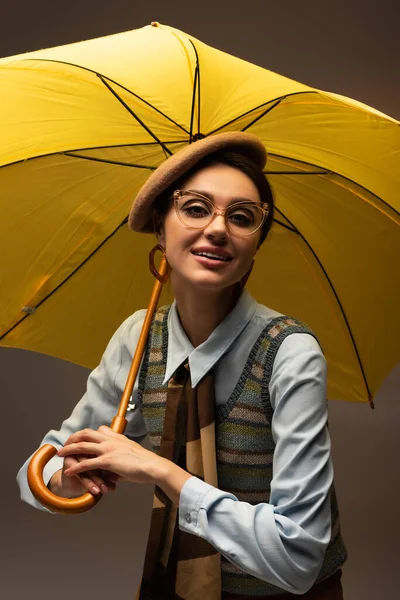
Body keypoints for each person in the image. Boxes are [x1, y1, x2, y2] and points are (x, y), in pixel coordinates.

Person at [18, 132, 347, 599]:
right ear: (159, 228)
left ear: (256, 244)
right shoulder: (139, 337)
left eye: (241, 217)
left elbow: (298, 559)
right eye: (195, 208)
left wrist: (161, 471)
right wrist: (66, 475)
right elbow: (39, 468)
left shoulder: (290, 353)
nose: (217, 229)